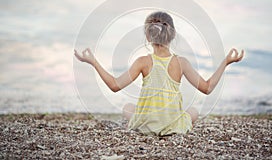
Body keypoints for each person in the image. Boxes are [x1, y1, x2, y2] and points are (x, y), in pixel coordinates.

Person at [74, 11, 244, 136]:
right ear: (173, 35)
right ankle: (170, 122)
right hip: (172, 126)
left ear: (148, 37)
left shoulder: (142, 61)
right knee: (193, 111)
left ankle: (149, 122)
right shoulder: (181, 63)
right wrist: (226, 62)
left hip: (145, 126)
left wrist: (93, 62)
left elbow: (114, 85)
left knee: (127, 107)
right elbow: (207, 88)